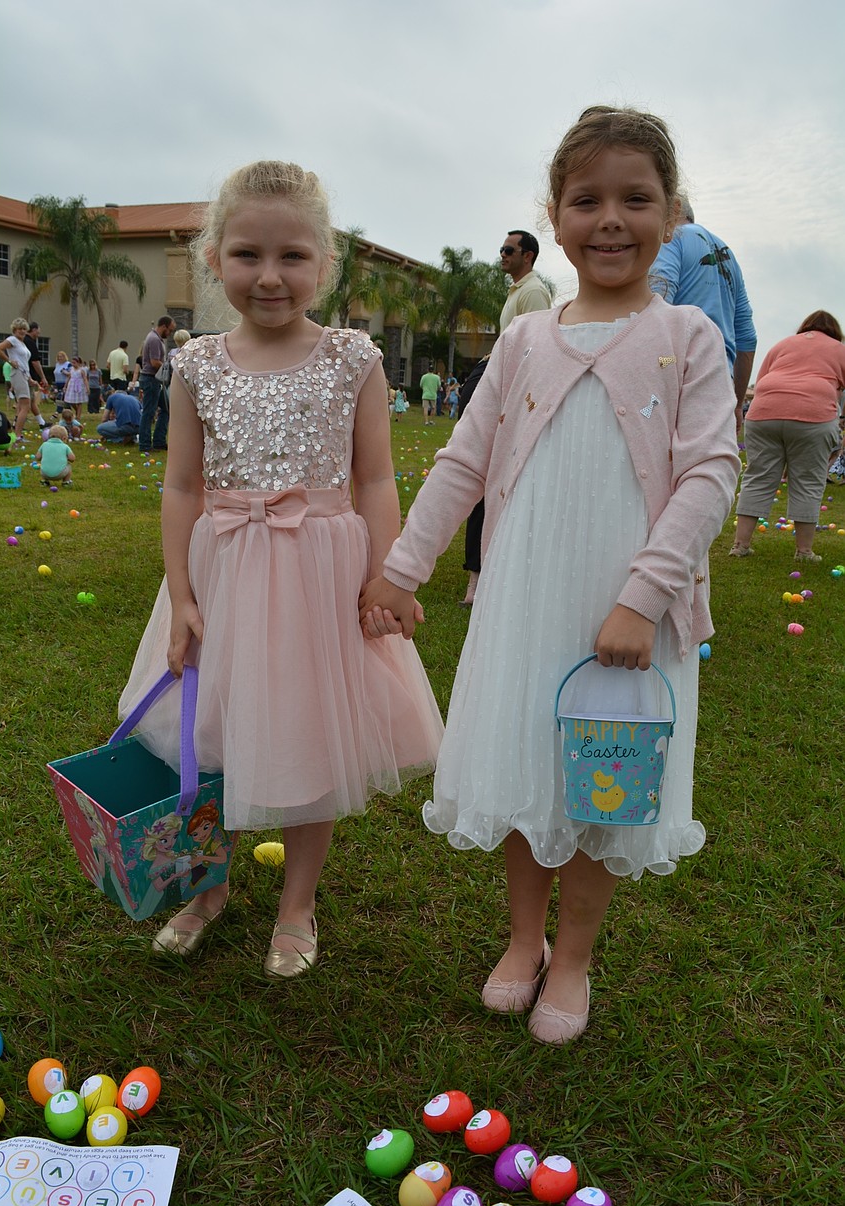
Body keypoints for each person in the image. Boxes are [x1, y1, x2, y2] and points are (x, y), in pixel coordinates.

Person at [360, 105, 740, 1046]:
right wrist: (404, 566)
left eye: (636, 199)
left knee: (606, 784)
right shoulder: (527, 340)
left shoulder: (689, 335)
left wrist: (640, 599)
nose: (611, 219)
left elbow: (709, 474)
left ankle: (573, 957)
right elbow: (463, 460)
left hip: (624, 605)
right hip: (526, 593)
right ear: (555, 214)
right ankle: (523, 941)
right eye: (587, 199)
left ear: (672, 211)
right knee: (533, 768)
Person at [118, 160, 443, 974]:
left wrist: (383, 575)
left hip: (320, 575)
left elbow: (374, 477)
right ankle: (207, 884)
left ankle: (297, 903)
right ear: (214, 258)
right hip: (223, 568)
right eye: (247, 255)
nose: (270, 276)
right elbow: (181, 484)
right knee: (211, 726)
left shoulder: (351, 358)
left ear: (325, 264)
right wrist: (184, 595)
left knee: (307, 733)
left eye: (293, 256)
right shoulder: (195, 363)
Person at [461, 228, 553, 605]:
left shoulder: (533, 292)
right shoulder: (518, 290)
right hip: (497, 388)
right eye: (501, 249)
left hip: (512, 398)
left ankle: (486, 575)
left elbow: (535, 351)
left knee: (498, 480)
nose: (502, 255)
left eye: (508, 249)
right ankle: (477, 576)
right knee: (484, 478)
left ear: (527, 255)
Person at [729, 311, 845, 562]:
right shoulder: (839, 349)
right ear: (836, 332)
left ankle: (740, 545)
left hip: (763, 414)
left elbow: (760, 382)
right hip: (813, 416)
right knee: (808, 481)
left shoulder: (783, 344)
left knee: (758, 477)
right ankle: (803, 552)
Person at [651, 198, 756, 434]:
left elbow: (658, 298)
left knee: (654, 450)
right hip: (719, 378)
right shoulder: (728, 255)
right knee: (704, 462)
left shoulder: (671, 240)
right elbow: (747, 337)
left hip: (674, 365)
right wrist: (738, 403)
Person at [138, 316, 176, 451]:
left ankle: (159, 441)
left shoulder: (155, 338)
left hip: (153, 380)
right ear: (164, 326)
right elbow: (154, 362)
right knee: (149, 412)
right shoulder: (154, 340)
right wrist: (169, 368)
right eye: (169, 330)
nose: (169, 334)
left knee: (166, 409)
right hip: (151, 379)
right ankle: (145, 444)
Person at [0, 319, 34, 441]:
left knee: (23, 405)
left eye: (24, 329)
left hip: (23, 374)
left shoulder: (22, 343)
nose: (22, 331)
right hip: (17, 374)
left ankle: (16, 433)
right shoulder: (12, 340)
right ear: (14, 330)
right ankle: (17, 435)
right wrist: (9, 361)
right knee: (25, 405)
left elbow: (24, 363)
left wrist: (30, 379)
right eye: (19, 329)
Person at [24, 321, 50, 427]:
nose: (38, 334)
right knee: (26, 401)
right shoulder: (30, 342)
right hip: (27, 376)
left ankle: (41, 422)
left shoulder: (23, 341)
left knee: (31, 400)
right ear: (34, 330)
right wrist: (43, 377)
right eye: (38, 332)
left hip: (24, 375)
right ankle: (18, 424)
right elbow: (35, 361)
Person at [64, 355, 89, 420]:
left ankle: (78, 416)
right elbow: (69, 377)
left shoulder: (81, 370)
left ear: (78, 363)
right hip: (71, 386)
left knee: (79, 401)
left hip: (79, 386)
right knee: (71, 401)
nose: (73, 364)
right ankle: (77, 410)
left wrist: (87, 388)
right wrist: (65, 386)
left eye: (74, 363)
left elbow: (85, 379)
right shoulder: (71, 369)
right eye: (72, 363)